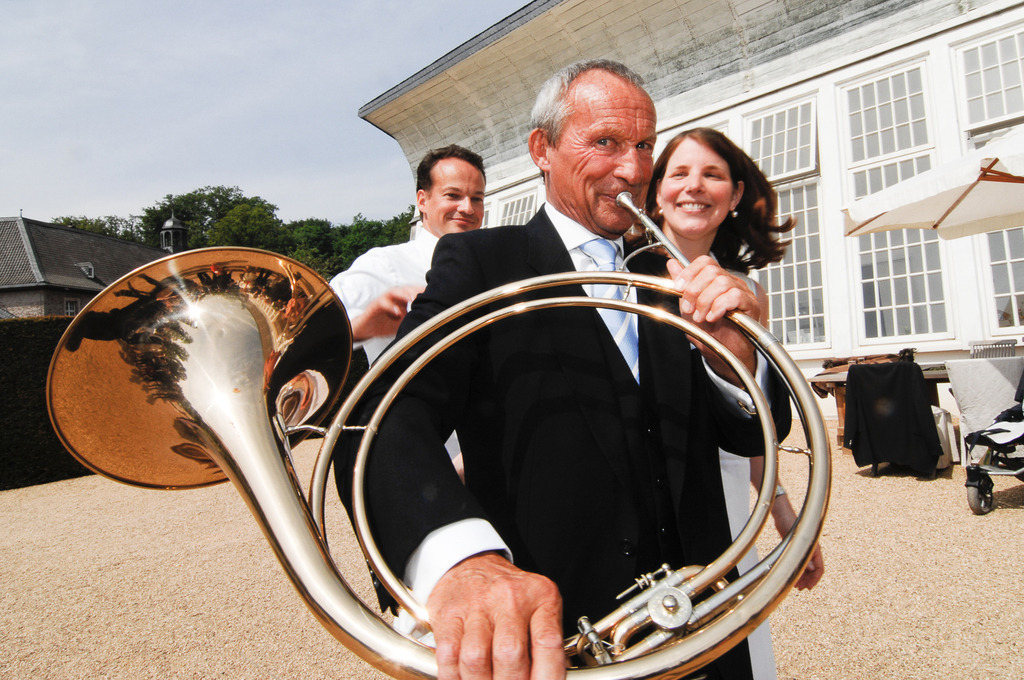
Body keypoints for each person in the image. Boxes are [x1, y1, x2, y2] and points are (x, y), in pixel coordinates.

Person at [342, 60, 792, 680]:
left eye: (643, 145)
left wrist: (731, 356)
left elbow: (749, 434)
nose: (633, 170)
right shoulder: (482, 263)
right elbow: (387, 413)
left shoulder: (668, 272)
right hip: (563, 643)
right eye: (604, 142)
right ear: (542, 150)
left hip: (705, 635)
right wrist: (462, 561)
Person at [644, 127, 825, 680]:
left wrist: (783, 510)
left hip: (723, 500)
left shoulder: (745, 290)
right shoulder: (619, 279)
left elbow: (751, 422)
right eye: (679, 173)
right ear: (656, 195)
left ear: (736, 194)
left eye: (712, 174)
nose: (694, 186)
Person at [329, 144, 486, 364]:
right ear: (422, 201)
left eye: (477, 198)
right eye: (453, 195)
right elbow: (317, 328)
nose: (468, 208)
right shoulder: (385, 264)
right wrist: (363, 326)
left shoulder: (495, 268)